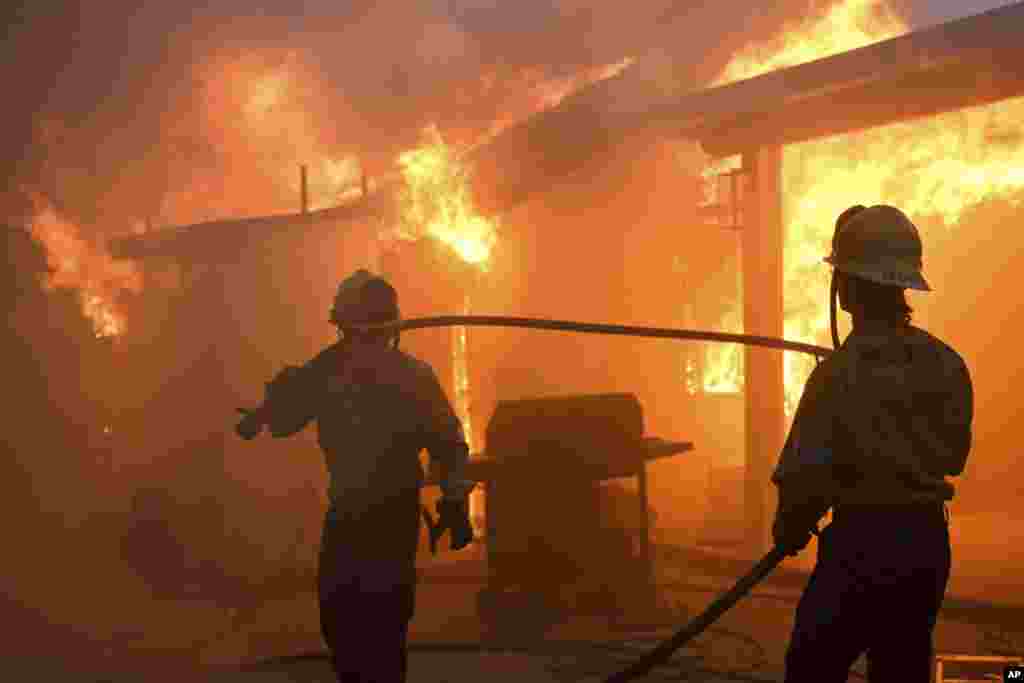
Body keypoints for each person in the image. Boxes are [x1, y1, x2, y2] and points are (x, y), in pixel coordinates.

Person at [235, 269, 474, 683]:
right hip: (350, 513)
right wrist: (267, 410)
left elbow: (449, 445)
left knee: (381, 625)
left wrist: (455, 501)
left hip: (389, 514)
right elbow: (290, 415)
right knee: (343, 621)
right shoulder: (332, 370)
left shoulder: (405, 376)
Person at [771, 205, 974, 683]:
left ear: (844, 289)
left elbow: (804, 478)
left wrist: (790, 526)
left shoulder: (836, 376)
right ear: (906, 283)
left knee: (811, 667)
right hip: (925, 547)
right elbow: (953, 457)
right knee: (901, 669)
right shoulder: (946, 364)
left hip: (862, 547)